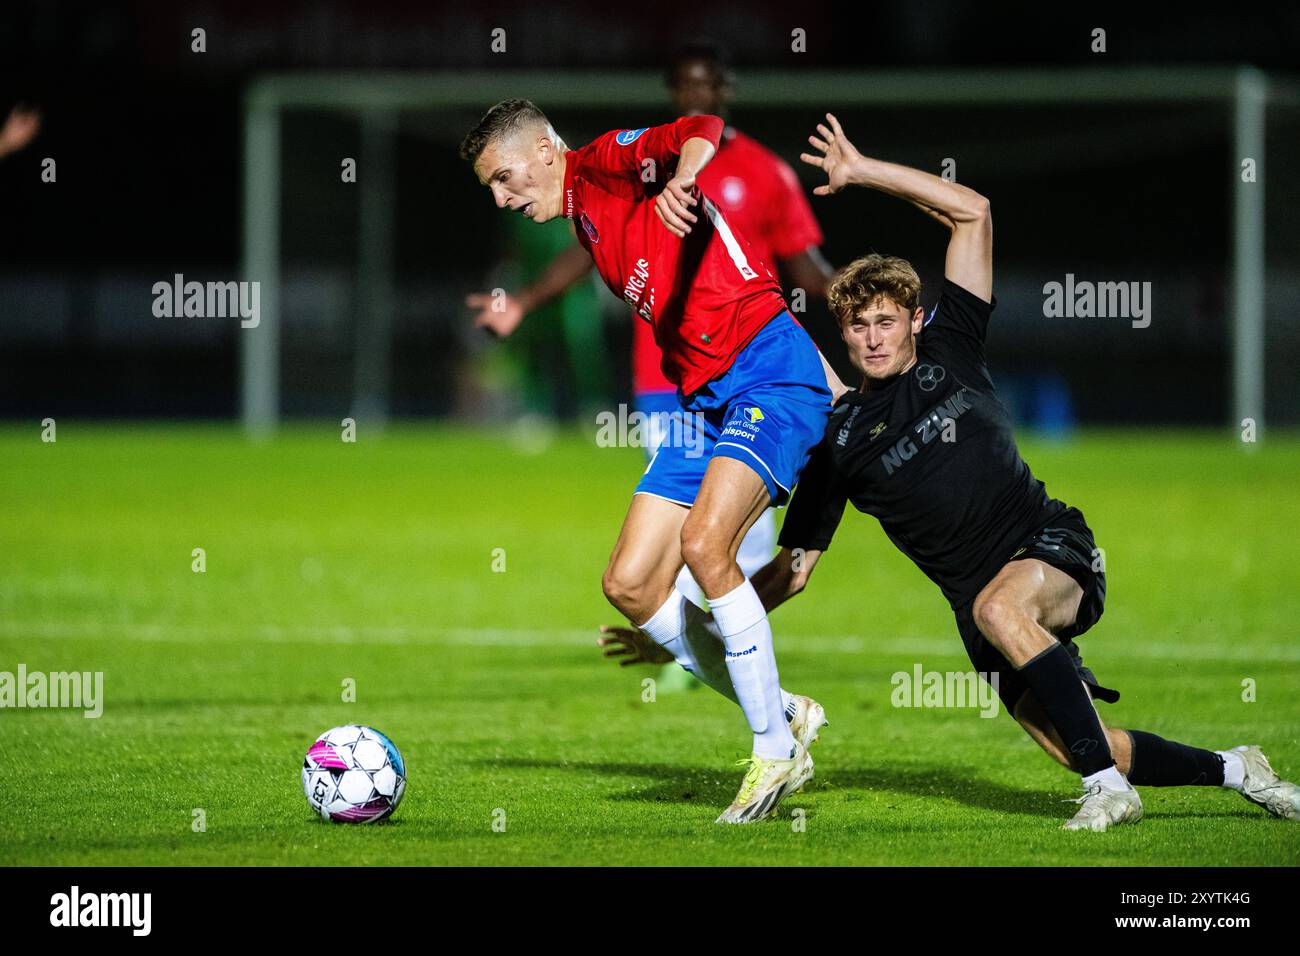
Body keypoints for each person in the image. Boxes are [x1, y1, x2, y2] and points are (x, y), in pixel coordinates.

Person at [599, 112, 1300, 832]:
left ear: (914, 319)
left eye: (886, 320)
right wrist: (691, 632)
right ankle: (1236, 767)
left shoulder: (952, 348)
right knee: (1087, 745)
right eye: (857, 326)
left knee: (1008, 618)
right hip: (980, 614)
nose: (873, 338)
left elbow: (974, 211)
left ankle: (1109, 796)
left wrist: (862, 170)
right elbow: (793, 569)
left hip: (1051, 550)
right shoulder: (836, 440)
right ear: (842, 334)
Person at [460, 99, 840, 823]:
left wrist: (683, 181)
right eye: (492, 190)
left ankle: (772, 750)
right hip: (705, 401)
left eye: (505, 178)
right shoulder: (583, 212)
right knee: (630, 583)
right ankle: (783, 709)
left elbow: (700, 124)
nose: (503, 198)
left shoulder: (608, 158)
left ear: (546, 150)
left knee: (704, 545)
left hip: (769, 373)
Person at [467, 44, 833, 628]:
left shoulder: (765, 172)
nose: (694, 96)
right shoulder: (619, 175)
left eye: (706, 85)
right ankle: (715, 654)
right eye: (683, 88)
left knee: (731, 539)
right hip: (673, 378)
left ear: (724, 90)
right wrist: (527, 301)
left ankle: (744, 671)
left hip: (754, 360)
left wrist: (864, 311)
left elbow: (808, 272)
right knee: (678, 545)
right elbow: (589, 252)